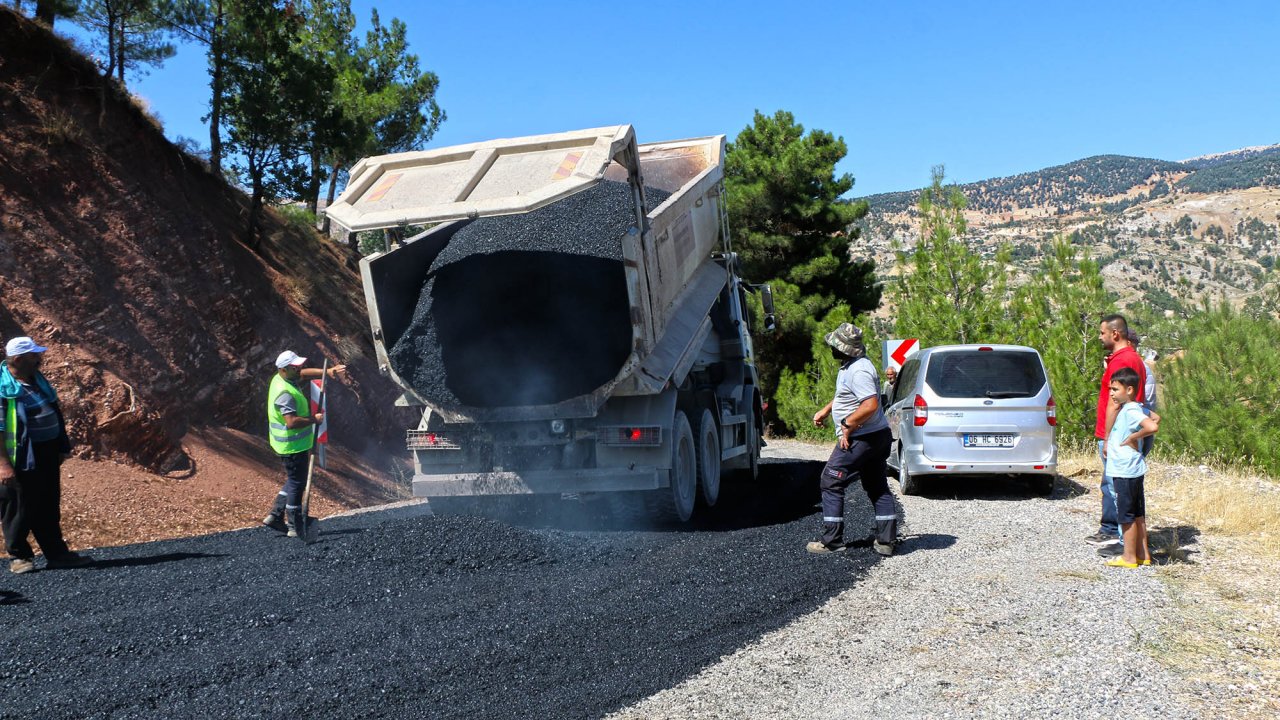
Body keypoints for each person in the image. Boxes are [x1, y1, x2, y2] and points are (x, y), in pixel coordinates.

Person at [0, 337, 92, 574]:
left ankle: (57, 554)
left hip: (46, 451)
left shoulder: (36, 380)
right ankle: (19, 557)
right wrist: (3, 466)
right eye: (33, 355)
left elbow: (53, 411)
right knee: (19, 505)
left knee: (48, 503)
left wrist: (60, 447)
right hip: (19, 455)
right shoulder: (4, 388)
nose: (38, 358)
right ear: (19, 358)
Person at [809, 323, 898, 556]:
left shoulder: (858, 370)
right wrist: (827, 410)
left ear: (845, 349)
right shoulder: (851, 367)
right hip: (874, 435)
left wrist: (847, 425)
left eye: (834, 345)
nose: (831, 348)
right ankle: (886, 541)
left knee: (831, 479)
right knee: (876, 484)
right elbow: (847, 396)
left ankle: (832, 541)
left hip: (862, 436)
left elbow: (870, 404)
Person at [263, 350, 346, 538]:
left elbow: (303, 373)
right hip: (291, 446)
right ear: (284, 369)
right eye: (295, 367)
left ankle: (275, 516)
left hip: (289, 444)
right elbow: (291, 422)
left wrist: (328, 372)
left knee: (294, 479)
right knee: (297, 483)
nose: (299, 368)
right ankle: (295, 525)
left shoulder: (281, 378)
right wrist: (313, 419)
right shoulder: (284, 393)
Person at [1088, 314, 1146, 550]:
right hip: (1121, 432)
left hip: (1119, 433)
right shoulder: (1122, 359)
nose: (1099, 337)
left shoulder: (1124, 361)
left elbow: (1115, 402)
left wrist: (1108, 436)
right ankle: (1116, 533)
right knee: (1115, 485)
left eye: (1102, 333)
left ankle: (1122, 542)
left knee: (1118, 489)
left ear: (1115, 334)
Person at [1102, 367, 1159, 568]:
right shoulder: (1135, 407)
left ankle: (1128, 557)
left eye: (1115, 389)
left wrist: (1133, 438)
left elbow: (1152, 426)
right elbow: (1156, 417)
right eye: (1110, 389)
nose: (1111, 393)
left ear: (1129, 390)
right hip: (1133, 468)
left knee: (1125, 515)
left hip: (1124, 469)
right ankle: (1143, 554)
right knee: (1137, 513)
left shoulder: (1131, 410)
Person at [1127, 329, 1158, 457]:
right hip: (1145, 420)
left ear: (1128, 343)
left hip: (1137, 422)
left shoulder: (1134, 365)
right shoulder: (1141, 365)